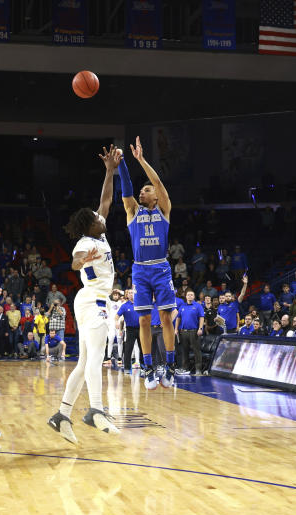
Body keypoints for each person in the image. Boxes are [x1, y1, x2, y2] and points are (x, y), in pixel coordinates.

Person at [48, 147, 123, 443]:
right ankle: (95, 409)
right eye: (96, 217)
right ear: (90, 225)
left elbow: (106, 200)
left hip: (93, 299)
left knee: (83, 363)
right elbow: (76, 260)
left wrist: (109, 171)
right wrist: (82, 260)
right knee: (95, 357)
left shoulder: (99, 234)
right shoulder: (85, 242)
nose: (101, 216)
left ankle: (61, 415)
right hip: (93, 302)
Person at [117, 136, 176, 389]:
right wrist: (122, 164)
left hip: (161, 267)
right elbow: (127, 188)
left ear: (155, 196)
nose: (143, 191)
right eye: (142, 190)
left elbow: (159, 183)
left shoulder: (164, 209)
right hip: (140, 269)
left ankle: (170, 366)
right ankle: (150, 367)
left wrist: (141, 160)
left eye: (147, 190)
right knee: (143, 320)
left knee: (165, 318)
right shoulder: (133, 211)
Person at [117, 289, 141, 373]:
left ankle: (145, 367)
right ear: (127, 295)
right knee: (128, 349)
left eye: (133, 293)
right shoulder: (124, 306)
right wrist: (116, 321)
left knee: (143, 348)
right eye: (130, 293)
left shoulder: (140, 304)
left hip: (141, 329)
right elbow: (117, 316)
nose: (131, 294)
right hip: (130, 330)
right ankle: (127, 368)